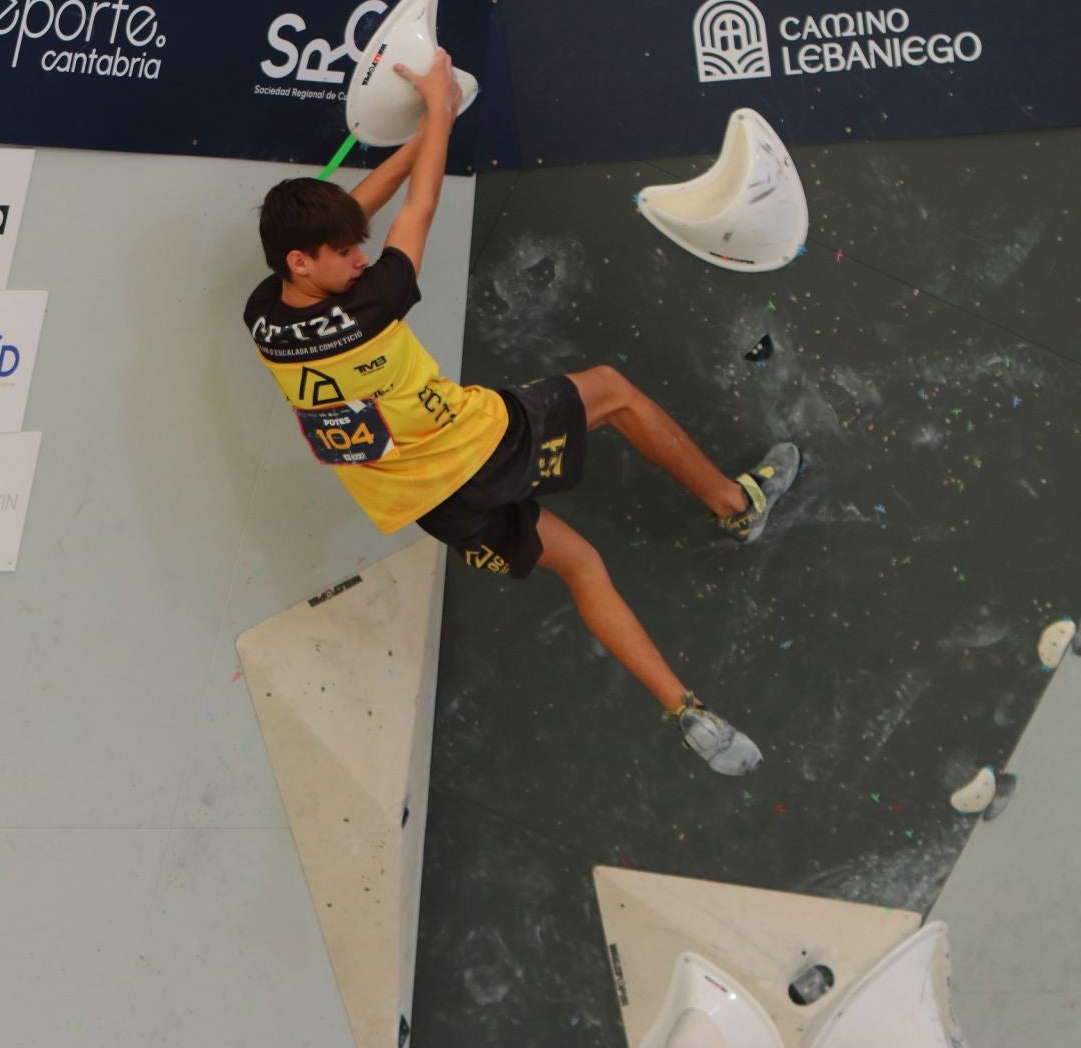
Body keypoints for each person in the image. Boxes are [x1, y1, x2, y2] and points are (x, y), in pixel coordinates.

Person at [242, 48, 799, 776]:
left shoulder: (263, 320)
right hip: (483, 444)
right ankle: (735, 504)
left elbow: (360, 215)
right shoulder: (373, 303)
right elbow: (420, 205)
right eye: (344, 252)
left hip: (434, 506)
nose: (361, 255)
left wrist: (415, 141)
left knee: (584, 567)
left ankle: (687, 711)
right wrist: (440, 112)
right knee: (613, 389)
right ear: (300, 263)